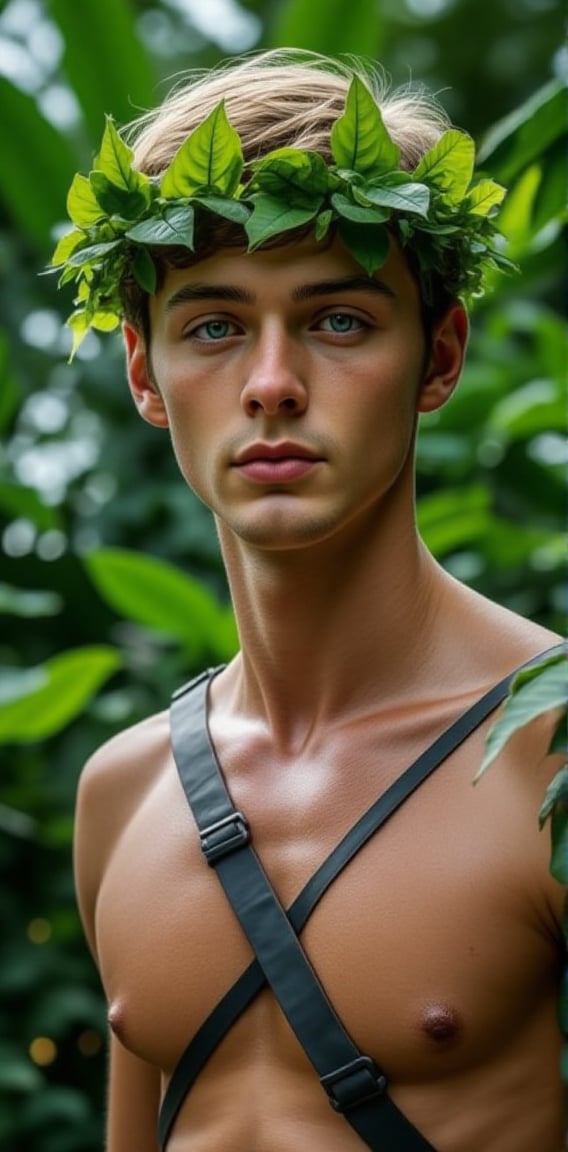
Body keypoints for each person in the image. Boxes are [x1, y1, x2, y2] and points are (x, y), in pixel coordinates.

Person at [58, 49, 566, 1152]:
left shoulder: (550, 749)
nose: (272, 380)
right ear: (144, 377)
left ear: (437, 357)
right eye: (213, 325)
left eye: (337, 320)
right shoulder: (126, 791)